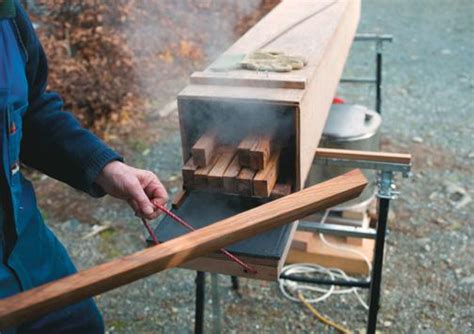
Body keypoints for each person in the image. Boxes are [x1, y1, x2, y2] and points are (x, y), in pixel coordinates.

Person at [0, 1, 168, 333]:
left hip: (25, 246)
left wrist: (105, 167)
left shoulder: (8, 15)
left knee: (79, 324)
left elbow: (30, 110)